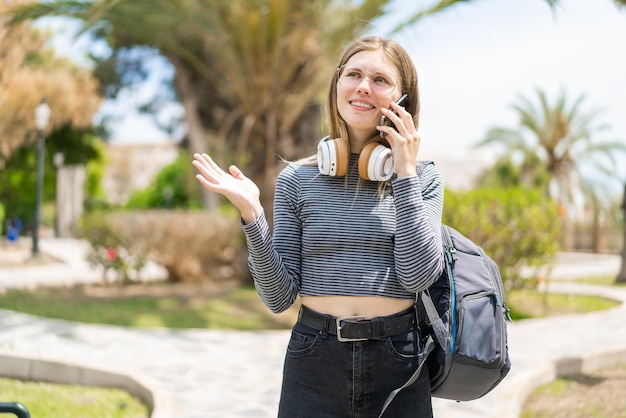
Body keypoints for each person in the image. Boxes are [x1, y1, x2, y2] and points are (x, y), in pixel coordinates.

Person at [192, 36, 444, 418]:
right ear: (337, 85)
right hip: (314, 359)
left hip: (399, 360)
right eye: (354, 74)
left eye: (380, 79)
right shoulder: (297, 179)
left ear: (403, 99)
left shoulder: (423, 178)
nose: (363, 86)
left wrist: (404, 173)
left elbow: (418, 275)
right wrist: (252, 215)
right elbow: (279, 298)